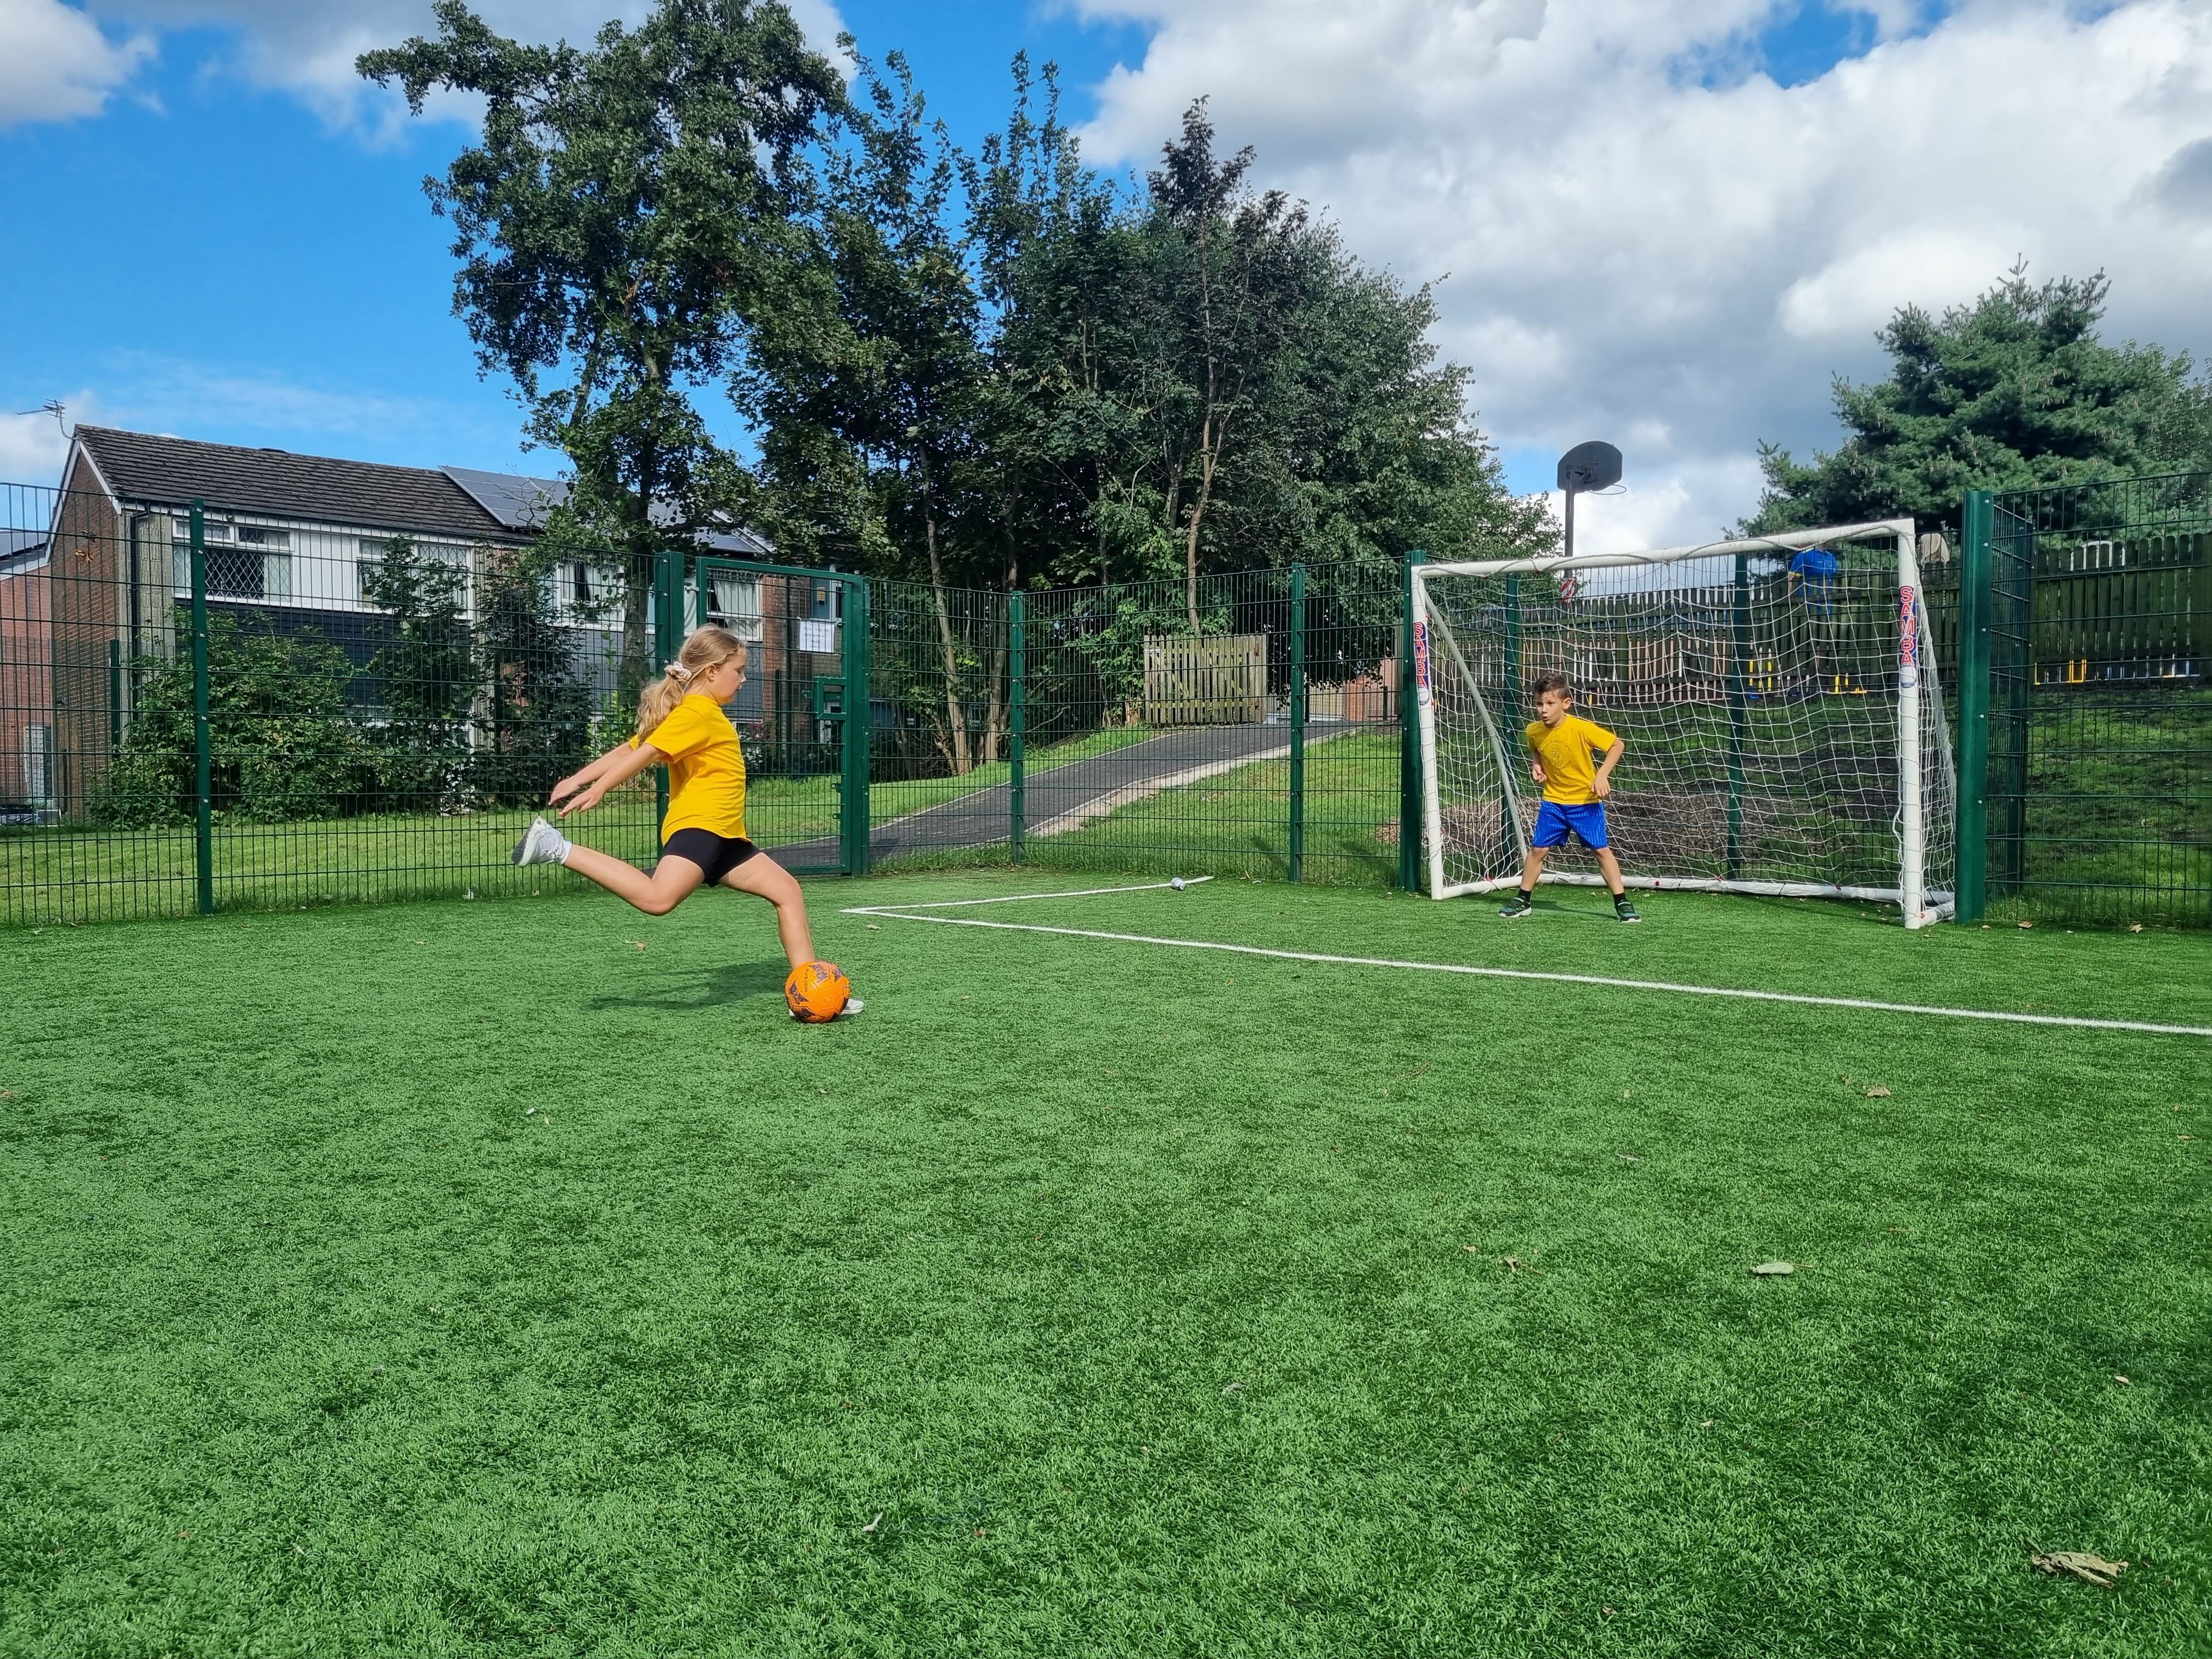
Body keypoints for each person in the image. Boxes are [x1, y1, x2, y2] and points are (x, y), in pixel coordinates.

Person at [510, 624, 833, 987]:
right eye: (738, 671)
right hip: (701, 828)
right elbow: (646, 752)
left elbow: (631, 747)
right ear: (712, 672)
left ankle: (813, 988)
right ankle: (556, 847)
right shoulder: (696, 713)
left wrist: (577, 779)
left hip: (726, 835)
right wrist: (598, 788)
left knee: (787, 891)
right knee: (657, 899)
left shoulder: (697, 711)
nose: (743, 679)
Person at [1497, 670, 1640, 923]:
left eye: (1550, 704)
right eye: (1539, 703)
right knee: (1538, 850)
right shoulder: (1534, 731)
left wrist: (1602, 776)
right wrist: (1537, 764)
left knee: (1601, 851)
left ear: (1566, 704)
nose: (1544, 709)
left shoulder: (1582, 728)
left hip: (1585, 802)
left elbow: (1617, 745)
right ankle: (1523, 899)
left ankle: (1622, 902)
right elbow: (1537, 749)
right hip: (1553, 801)